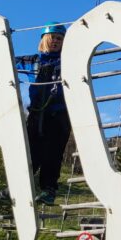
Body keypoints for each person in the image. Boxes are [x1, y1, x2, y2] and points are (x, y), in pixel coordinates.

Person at [15, 23, 71, 205]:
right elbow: (9, 61)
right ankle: (17, 187)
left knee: (52, 153)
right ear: (45, 40)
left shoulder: (69, 60)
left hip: (59, 114)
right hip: (37, 114)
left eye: (60, 39)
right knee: (30, 151)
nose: (55, 41)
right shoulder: (33, 61)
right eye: (53, 38)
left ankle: (48, 189)